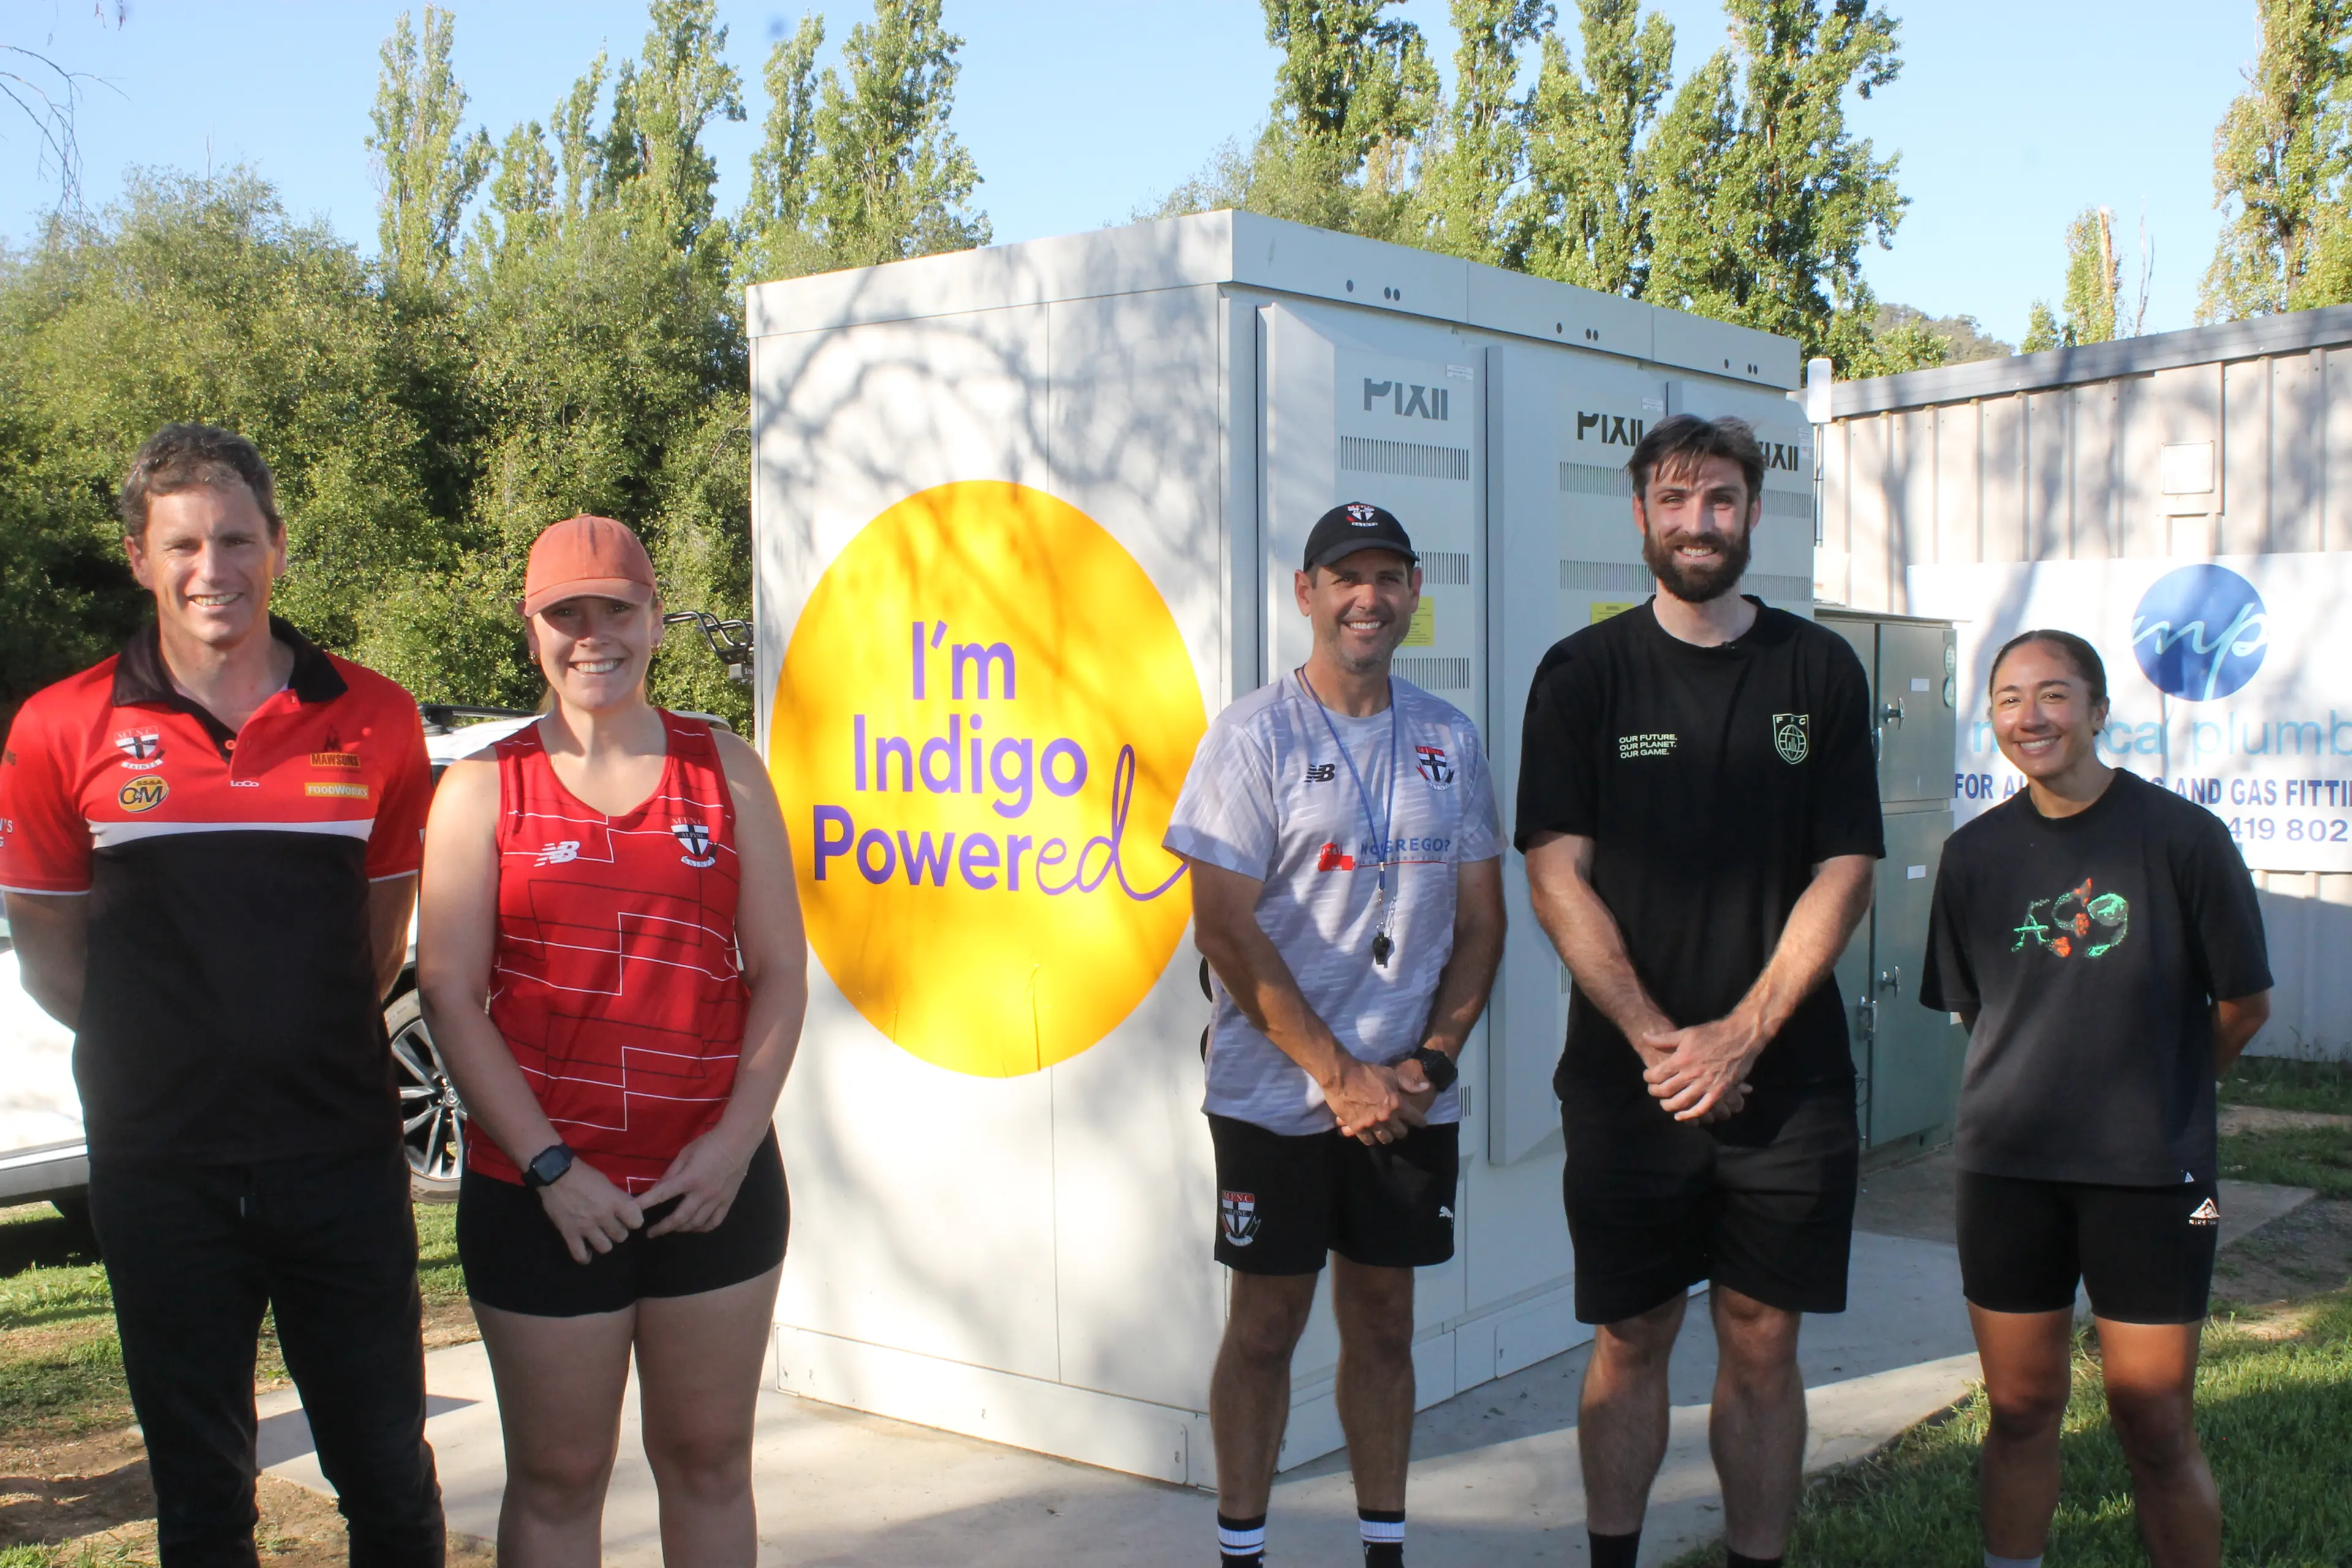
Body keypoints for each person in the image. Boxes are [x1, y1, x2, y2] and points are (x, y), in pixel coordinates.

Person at [0, 423, 447, 1566]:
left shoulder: (377, 716)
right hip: (161, 1169)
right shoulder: (60, 726)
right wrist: (172, 1047)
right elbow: (54, 950)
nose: (216, 569)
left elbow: (378, 931)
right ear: (140, 558)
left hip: (338, 1153)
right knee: (203, 1498)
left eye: (239, 539)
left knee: (388, 1477)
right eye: (185, 543)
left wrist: (281, 1036)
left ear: (280, 548)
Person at [1515, 413, 1882, 1568]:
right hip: (1632, 1083)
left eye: (1720, 500)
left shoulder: (1817, 669)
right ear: (1639, 518)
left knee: (1763, 1337)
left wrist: (1744, 1035)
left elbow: (1846, 868)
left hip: (1790, 1079)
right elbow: (1553, 875)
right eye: (1674, 502)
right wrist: (1663, 1041)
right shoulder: (1585, 674)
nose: (1698, 523)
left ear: (1753, 514)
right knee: (1633, 1331)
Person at [415, 513, 807, 1568]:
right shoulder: (481, 787)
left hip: (709, 1187)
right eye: (566, 614)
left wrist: (730, 1148)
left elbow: (778, 975)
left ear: (656, 620)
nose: (594, 636)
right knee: (557, 1479)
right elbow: (450, 993)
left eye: (617, 611)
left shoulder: (724, 767)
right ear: (531, 627)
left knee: (712, 1461)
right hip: (543, 1191)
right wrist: (551, 1168)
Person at [1163, 502, 1506, 1568]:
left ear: (1414, 591)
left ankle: (1383, 1547)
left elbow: (1484, 924)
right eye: (1344, 577)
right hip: (1277, 1098)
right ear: (1306, 594)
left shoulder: (1450, 737)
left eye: (1388, 576)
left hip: (1408, 1094)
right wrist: (1337, 1075)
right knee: (1265, 1332)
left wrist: (1431, 1062)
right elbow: (1220, 924)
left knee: (1387, 1325)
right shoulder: (1253, 736)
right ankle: (1242, 1549)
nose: (1369, 598)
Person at [1920, 630, 2269, 1568]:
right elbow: (1976, 1012)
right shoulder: (1973, 857)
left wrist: (2173, 1089)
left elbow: (2244, 1005)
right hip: (2007, 1172)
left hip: (2152, 1173)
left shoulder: (2184, 840)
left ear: (2100, 711)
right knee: (2022, 1410)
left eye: (2055, 695)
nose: (2030, 717)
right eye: (2008, 700)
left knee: (2153, 1417)